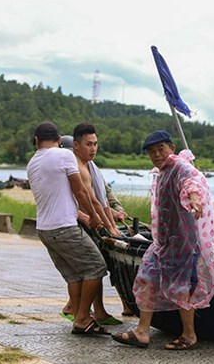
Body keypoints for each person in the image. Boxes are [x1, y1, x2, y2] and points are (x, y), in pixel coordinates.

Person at [112, 130, 214, 350]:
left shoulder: (180, 167)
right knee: (146, 279)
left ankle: (189, 335)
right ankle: (142, 332)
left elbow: (192, 181)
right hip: (163, 243)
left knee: (182, 288)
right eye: (152, 151)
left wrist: (195, 198)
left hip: (185, 245)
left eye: (161, 149)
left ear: (172, 147)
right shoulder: (161, 172)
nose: (157, 154)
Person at [26, 121, 109, 335]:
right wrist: (93, 216)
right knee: (96, 267)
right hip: (64, 227)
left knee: (75, 275)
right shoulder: (65, 156)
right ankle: (82, 318)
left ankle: (79, 314)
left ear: (36, 141)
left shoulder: (32, 163)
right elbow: (81, 192)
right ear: (59, 139)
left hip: (44, 229)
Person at [59, 134, 131, 321]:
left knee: (98, 266)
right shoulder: (67, 170)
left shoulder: (92, 169)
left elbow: (105, 195)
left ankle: (99, 310)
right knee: (93, 267)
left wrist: (117, 210)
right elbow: (71, 201)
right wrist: (92, 218)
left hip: (93, 222)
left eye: (95, 144)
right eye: (88, 144)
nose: (93, 148)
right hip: (79, 225)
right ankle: (78, 310)